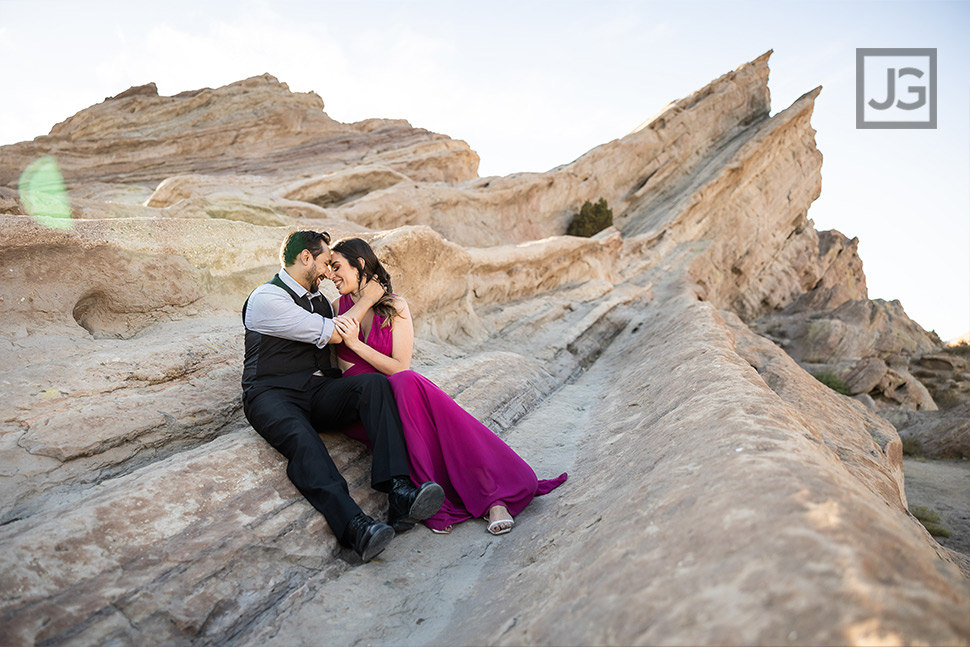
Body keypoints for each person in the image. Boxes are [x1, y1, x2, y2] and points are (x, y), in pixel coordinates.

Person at [328, 237, 568, 535]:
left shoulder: (395, 306)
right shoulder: (339, 307)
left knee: (407, 383)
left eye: (336, 266)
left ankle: (494, 498)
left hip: (401, 392)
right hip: (366, 404)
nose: (330, 274)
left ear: (359, 264)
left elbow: (400, 366)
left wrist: (355, 344)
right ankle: (439, 500)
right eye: (328, 268)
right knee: (405, 395)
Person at [241, 230, 445, 562]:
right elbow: (335, 333)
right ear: (305, 258)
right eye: (324, 262)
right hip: (271, 395)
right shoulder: (267, 297)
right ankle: (354, 527)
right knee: (304, 443)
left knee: (374, 386)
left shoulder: (320, 301)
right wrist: (367, 299)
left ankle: (400, 491)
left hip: (317, 390)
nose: (327, 273)